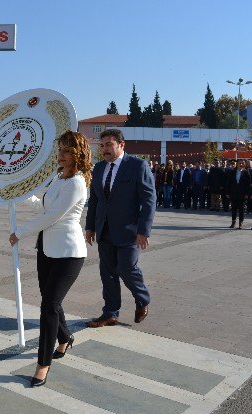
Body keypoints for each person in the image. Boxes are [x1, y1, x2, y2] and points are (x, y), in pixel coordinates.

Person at [9, 131, 91, 388]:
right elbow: (44, 207)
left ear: (78, 154)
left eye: (67, 152)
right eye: (60, 151)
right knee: (51, 302)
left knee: (48, 305)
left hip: (69, 253)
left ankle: (42, 364)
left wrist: (19, 232)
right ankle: (65, 337)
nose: (61, 156)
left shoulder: (77, 182)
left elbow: (52, 217)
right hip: (46, 249)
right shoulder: (59, 179)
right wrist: (21, 194)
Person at [85, 129, 156, 328]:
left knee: (126, 268)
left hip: (129, 231)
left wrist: (144, 231)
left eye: (109, 145)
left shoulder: (137, 166)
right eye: (102, 146)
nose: (105, 149)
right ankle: (110, 312)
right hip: (104, 229)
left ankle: (143, 298)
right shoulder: (98, 168)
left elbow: (149, 200)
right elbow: (95, 200)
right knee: (107, 273)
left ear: (121, 145)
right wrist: (90, 227)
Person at [226, 160, 251, 229]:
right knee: (233, 208)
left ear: (244, 164)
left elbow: (248, 184)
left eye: (242, 163)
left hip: (242, 194)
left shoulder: (246, 173)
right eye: (239, 163)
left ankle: (241, 223)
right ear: (237, 164)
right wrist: (228, 192)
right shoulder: (232, 172)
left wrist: (247, 193)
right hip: (233, 193)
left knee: (241, 209)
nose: (241, 164)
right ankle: (233, 222)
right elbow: (229, 183)